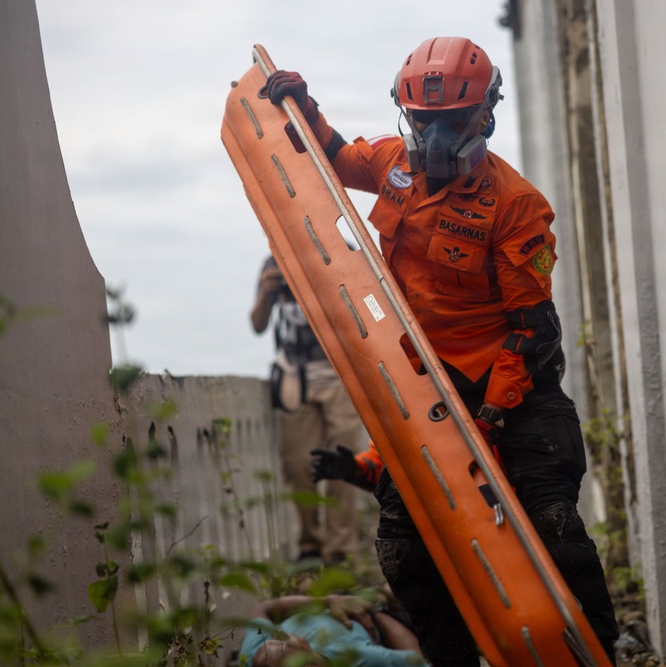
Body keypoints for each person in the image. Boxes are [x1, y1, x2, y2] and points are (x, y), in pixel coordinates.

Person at [265, 36, 619, 665]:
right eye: (423, 123)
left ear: (483, 117)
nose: (434, 138)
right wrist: (303, 107)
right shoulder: (393, 165)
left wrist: (491, 417)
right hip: (432, 386)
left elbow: (533, 331)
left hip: (511, 389)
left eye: (450, 123)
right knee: (407, 548)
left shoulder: (515, 205)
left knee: (555, 532)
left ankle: (595, 653)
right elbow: (335, 160)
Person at [250, 255, 364, 564]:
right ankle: (310, 544)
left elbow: (363, 312)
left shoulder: (340, 251)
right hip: (295, 377)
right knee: (298, 463)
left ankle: (341, 551)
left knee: (344, 464)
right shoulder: (275, 262)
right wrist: (265, 292)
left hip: (342, 375)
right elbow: (258, 325)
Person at [237, 592, 427, 666]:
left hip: (356, 611)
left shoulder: (356, 657)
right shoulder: (256, 654)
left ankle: (381, 599)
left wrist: (327, 600)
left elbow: (417, 661)